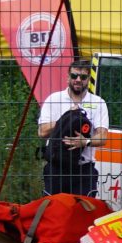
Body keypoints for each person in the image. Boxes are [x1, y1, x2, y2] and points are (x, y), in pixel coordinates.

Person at [36, 61, 108, 196]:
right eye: (74, 76)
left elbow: (103, 137)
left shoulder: (98, 103)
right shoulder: (53, 99)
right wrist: (67, 118)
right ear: (68, 77)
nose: (78, 80)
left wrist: (85, 142)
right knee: (53, 212)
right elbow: (42, 131)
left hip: (84, 169)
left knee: (83, 213)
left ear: (88, 79)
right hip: (56, 168)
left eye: (83, 77)